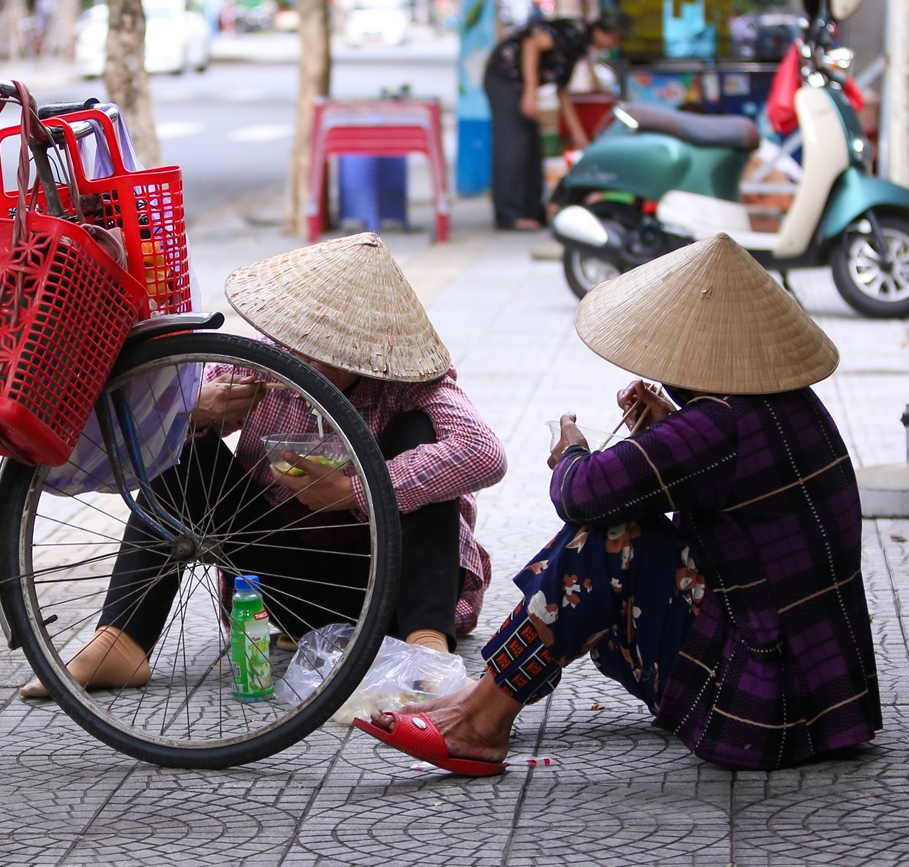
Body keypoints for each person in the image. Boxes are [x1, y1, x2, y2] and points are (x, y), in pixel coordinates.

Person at [358, 233, 881, 774]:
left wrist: (572, 449)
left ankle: (480, 722)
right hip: (823, 691)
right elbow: (732, 506)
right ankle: (483, 699)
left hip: (765, 697)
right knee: (618, 535)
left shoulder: (717, 425)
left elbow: (580, 494)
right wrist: (667, 435)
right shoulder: (786, 404)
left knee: (607, 540)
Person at [20, 232, 507, 698]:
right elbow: (166, 415)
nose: (313, 357)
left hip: (392, 590)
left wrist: (353, 491)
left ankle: (428, 650)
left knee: (416, 434)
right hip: (293, 589)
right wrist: (199, 407)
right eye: (308, 339)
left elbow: (484, 452)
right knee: (181, 445)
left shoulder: (408, 383)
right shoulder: (266, 364)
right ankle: (122, 640)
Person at [484, 9, 625, 231]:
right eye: (614, 39)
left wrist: (578, 135)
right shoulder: (574, 32)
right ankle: (509, 215)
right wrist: (530, 91)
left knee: (531, 147)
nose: (613, 45)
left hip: (520, 85)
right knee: (514, 146)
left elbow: (562, 91)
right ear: (602, 31)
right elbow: (531, 45)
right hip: (505, 78)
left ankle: (532, 211)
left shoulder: (579, 48)